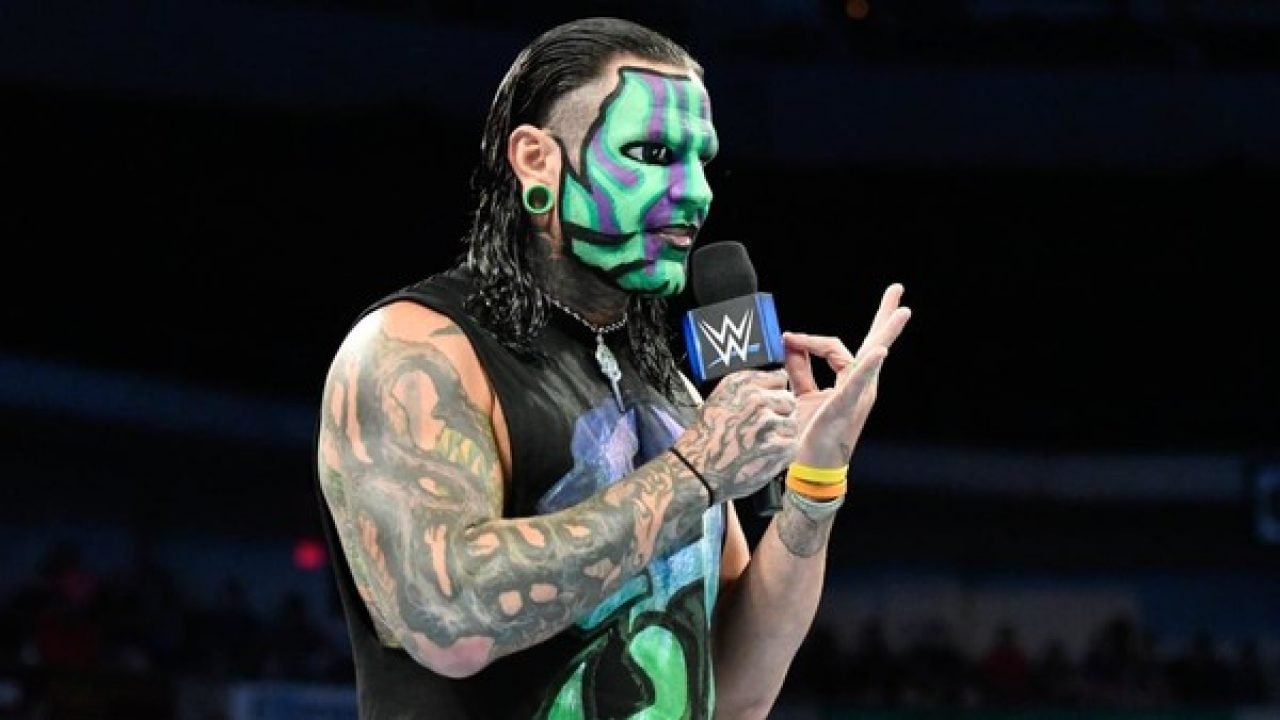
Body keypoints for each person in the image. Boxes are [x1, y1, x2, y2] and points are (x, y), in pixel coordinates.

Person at [313, 15, 911, 719]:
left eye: (702, 161)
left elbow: (737, 691)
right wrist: (696, 471)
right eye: (653, 153)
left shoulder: (669, 389)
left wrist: (814, 484)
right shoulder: (416, 347)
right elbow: (448, 619)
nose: (697, 192)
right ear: (536, 159)